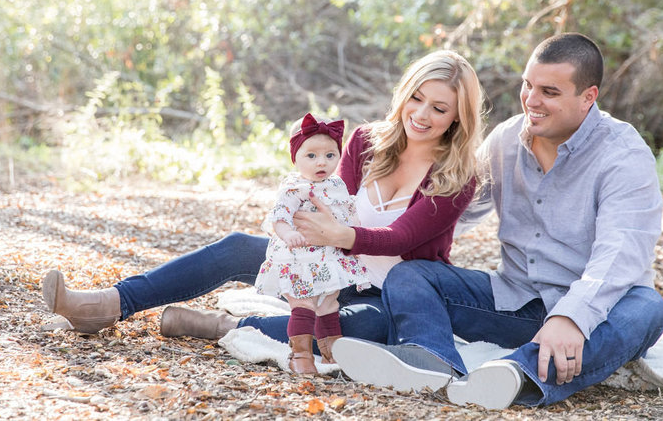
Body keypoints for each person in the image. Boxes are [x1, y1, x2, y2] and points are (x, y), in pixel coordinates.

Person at [41, 49, 484, 355]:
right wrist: (297, 225)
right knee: (238, 246)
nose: (421, 115)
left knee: (365, 327)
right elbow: (321, 197)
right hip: (326, 262)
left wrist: (337, 233)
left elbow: (400, 237)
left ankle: (219, 327)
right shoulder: (367, 142)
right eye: (416, 98)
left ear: (458, 117)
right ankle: (107, 305)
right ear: (404, 94)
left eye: (439, 108)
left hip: (390, 293)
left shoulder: (458, 176)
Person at [331, 33, 663, 410]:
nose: (532, 100)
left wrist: (570, 318)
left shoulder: (623, 155)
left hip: (596, 311)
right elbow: (449, 217)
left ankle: (514, 375)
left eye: (550, 92)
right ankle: (430, 360)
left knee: (648, 308)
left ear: (588, 96)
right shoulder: (506, 140)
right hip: (514, 300)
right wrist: (372, 250)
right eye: (528, 85)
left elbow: (621, 254)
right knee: (411, 276)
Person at [254, 112, 370, 374]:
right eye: (312, 156)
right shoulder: (295, 188)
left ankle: (332, 352)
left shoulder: (337, 184)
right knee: (304, 304)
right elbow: (279, 218)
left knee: (330, 303)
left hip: (328, 256)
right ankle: (301, 354)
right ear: (295, 158)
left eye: (330, 155)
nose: (322, 162)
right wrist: (287, 234)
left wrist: (354, 233)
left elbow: (347, 214)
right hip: (300, 259)